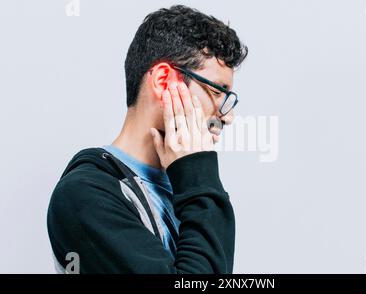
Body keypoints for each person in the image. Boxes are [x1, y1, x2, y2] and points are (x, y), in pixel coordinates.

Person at [47, 4, 248, 273]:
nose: (227, 116)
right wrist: (200, 175)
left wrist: (197, 180)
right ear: (165, 81)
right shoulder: (84, 195)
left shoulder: (187, 189)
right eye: (217, 92)